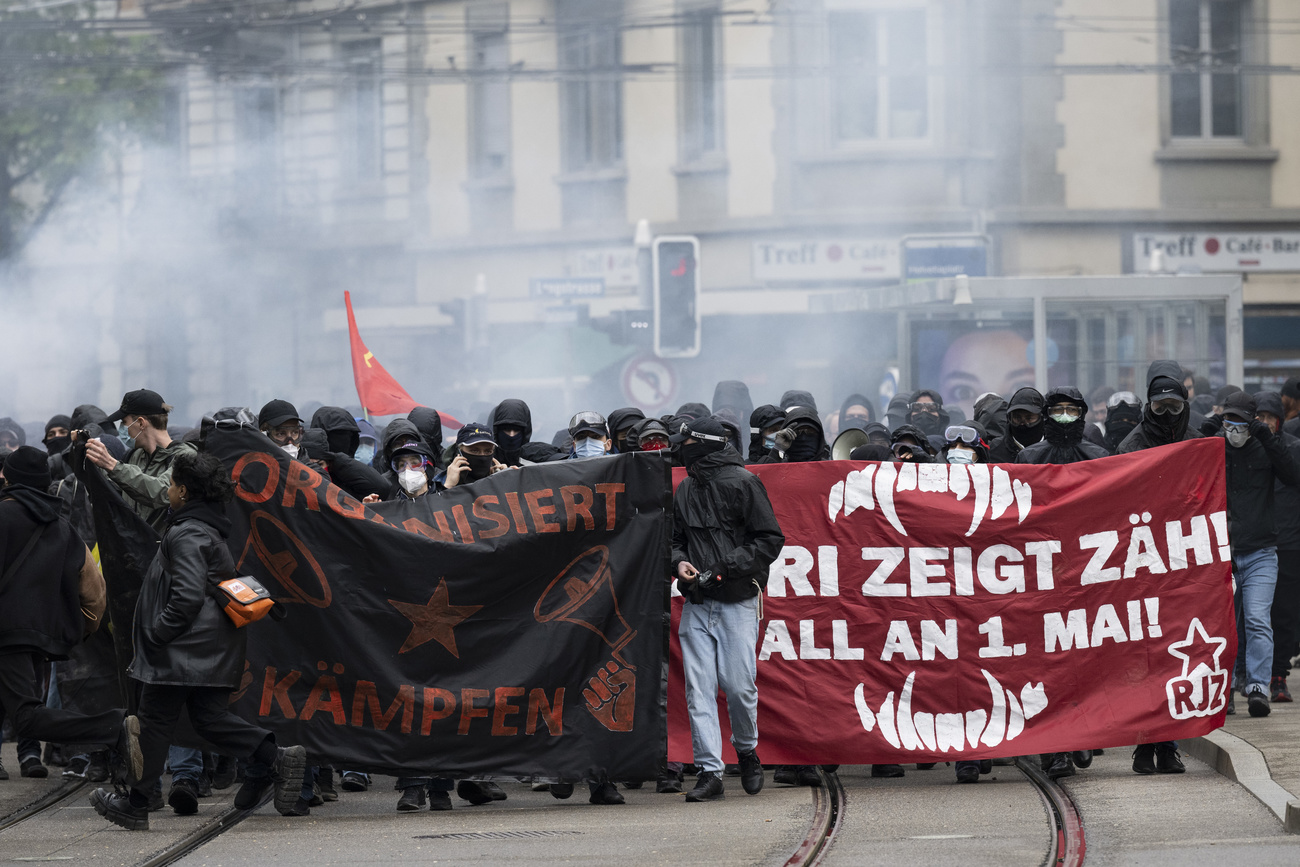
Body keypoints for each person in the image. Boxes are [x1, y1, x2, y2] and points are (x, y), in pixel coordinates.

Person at [90, 451, 307, 830]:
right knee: (209, 719)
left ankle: (136, 804)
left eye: (172, 484)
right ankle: (275, 758)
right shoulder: (205, 529)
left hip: (184, 650)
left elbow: (187, 597)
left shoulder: (188, 532)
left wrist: (157, 636)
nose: (168, 490)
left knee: (155, 722)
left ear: (184, 492)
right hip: (208, 647)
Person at [0, 447, 140, 786]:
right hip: (38, 640)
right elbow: (94, 593)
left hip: (7, 636)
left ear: (9, 479)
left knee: (26, 718)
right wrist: (77, 632)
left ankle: (113, 725)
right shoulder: (63, 527)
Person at [670, 417, 784, 802]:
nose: (680, 448)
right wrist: (679, 563)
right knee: (698, 689)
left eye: (686, 442)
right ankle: (710, 771)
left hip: (737, 599)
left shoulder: (745, 482)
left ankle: (747, 750)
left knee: (739, 686)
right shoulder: (685, 488)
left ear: (703, 444)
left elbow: (769, 539)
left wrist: (725, 568)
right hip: (697, 602)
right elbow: (675, 539)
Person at [1015, 388, 1106, 779]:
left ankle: (1080, 733)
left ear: (1081, 414)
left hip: (1086, 572)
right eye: (1058, 410)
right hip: (1042, 572)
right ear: (1046, 414)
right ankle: (1054, 749)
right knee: (1047, 664)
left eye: (1071, 409)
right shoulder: (1029, 458)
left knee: (1083, 659)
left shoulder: (1098, 457)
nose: (1064, 415)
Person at [1118, 361, 1201, 774]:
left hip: (1185, 563)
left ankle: (1168, 745)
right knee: (1145, 656)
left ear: (1185, 405)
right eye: (1159, 407)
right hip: (1143, 563)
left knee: (1176, 654)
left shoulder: (1198, 444)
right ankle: (1144, 744)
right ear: (1147, 406)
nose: (1166, 414)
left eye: (1174, 406)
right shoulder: (1131, 446)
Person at [1205, 392, 1300, 719]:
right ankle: (1227, 688)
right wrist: (1205, 433)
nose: (1234, 428)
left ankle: (1258, 687)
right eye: (1228, 421)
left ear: (1252, 422)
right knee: (1225, 624)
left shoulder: (1264, 447)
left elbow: (1291, 474)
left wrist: (1268, 438)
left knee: (1258, 620)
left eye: (1240, 422)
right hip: (1223, 552)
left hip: (1261, 551)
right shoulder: (1215, 447)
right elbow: (1187, 473)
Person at [939, 426, 995, 785]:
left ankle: (986, 745)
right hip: (946, 597)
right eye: (954, 445)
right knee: (958, 676)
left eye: (966, 447)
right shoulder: (927, 489)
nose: (958, 451)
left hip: (988, 597)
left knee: (988, 671)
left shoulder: (999, 489)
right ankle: (967, 754)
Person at [84, 389, 197, 530]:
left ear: (141, 423)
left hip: (165, 543)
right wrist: (87, 455)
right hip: (135, 542)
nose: (122, 429)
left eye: (124, 422)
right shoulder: (135, 455)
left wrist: (111, 464)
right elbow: (115, 490)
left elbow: (163, 492)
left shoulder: (186, 456)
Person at [1255, 392, 1300, 703]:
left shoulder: (1293, 449)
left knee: (1283, 613)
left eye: (1270, 417)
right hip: (1256, 543)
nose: (1265, 423)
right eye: (1259, 417)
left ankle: (1278, 675)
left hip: (1288, 544)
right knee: (1256, 615)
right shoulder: (1245, 449)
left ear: (1279, 420)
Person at [440, 423, 508, 489]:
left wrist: (508, 480)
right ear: (459, 452)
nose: (482, 457)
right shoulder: (438, 482)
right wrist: (448, 486)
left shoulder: (497, 479)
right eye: (474, 451)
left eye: (488, 451)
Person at [988, 387, 1044, 463]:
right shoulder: (994, 450)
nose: (1023, 423)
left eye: (1029, 418)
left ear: (1042, 418)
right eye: (1017, 418)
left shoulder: (1053, 450)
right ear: (1009, 418)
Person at [491, 399, 534, 467]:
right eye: (506, 430)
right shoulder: (486, 461)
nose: (511, 435)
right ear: (497, 431)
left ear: (525, 433)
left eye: (517, 430)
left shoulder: (534, 461)